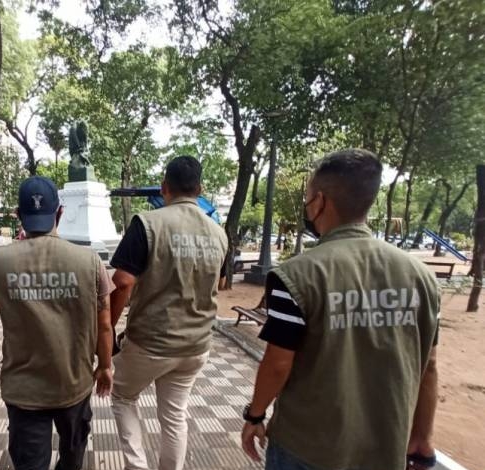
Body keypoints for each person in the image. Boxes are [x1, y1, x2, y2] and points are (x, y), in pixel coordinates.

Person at [241, 149, 439, 470]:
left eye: (307, 198)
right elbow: (428, 367)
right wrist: (421, 438)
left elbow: (278, 362)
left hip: (305, 447)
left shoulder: (296, 275)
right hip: (384, 448)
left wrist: (255, 415)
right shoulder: (422, 277)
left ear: (319, 201)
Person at [0, 175, 114, 470]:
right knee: (72, 454)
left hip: (23, 387)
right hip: (74, 382)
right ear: (60, 213)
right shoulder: (89, 261)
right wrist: (104, 366)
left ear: (19, 216)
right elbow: (104, 324)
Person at [109, 155, 228, 470]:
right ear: (199, 188)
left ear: (164, 188)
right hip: (196, 346)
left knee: (122, 396)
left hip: (151, 342)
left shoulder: (148, 223)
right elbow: (222, 282)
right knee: (175, 414)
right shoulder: (218, 232)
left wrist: (107, 329)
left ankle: (137, 467)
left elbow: (122, 282)